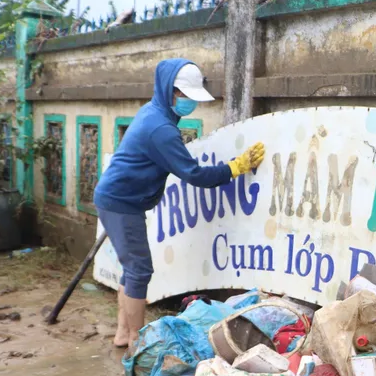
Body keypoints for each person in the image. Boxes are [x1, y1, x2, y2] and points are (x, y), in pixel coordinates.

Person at [93, 58, 264, 349]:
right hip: (122, 202)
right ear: (169, 90)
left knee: (132, 269)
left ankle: (124, 333)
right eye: (185, 96)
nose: (190, 103)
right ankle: (136, 340)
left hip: (118, 200)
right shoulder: (160, 128)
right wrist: (235, 167)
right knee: (139, 270)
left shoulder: (155, 113)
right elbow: (193, 173)